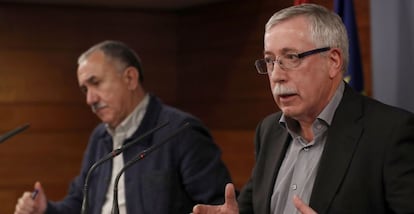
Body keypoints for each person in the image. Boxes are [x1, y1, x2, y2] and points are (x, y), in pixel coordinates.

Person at [193, 3, 414, 214]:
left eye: (291, 57)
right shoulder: (269, 131)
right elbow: (254, 207)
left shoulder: (390, 133)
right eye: (270, 61)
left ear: (333, 61)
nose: (276, 75)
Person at [14, 40, 232, 214]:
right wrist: (45, 209)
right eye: (84, 90)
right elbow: (80, 202)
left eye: (96, 83)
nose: (90, 99)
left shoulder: (180, 131)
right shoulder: (100, 136)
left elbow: (218, 206)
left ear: (130, 78)